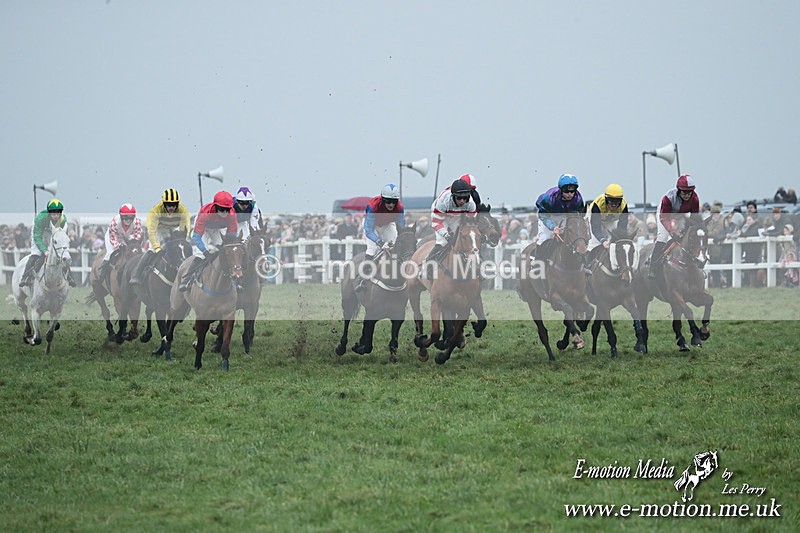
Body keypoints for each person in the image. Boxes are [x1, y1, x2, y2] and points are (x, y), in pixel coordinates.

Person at [130, 188, 191, 285]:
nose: (171, 207)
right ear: (164, 203)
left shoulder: (183, 211)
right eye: (169, 205)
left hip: (173, 228)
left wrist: (183, 240)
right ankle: (137, 274)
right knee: (153, 250)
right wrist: (157, 248)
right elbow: (151, 232)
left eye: (174, 204)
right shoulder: (156, 211)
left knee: (180, 246)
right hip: (158, 228)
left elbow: (185, 228)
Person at [178, 191, 237, 291]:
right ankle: (186, 280)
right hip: (203, 230)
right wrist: (206, 252)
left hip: (216, 229)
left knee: (225, 251)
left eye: (227, 209)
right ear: (215, 206)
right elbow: (196, 237)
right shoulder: (205, 213)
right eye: (221, 209)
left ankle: (234, 281)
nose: (224, 212)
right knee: (201, 255)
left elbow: (231, 236)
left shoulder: (232, 214)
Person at [353, 183, 406, 293]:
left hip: (388, 225)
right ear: (382, 199)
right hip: (373, 226)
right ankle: (361, 279)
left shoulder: (400, 207)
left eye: (394, 201)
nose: (391, 204)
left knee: (396, 249)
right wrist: (380, 242)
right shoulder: (373, 206)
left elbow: (401, 228)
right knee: (372, 250)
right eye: (388, 201)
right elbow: (369, 231)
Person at [648, 174, 702, 279]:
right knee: (662, 237)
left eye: (689, 192)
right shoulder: (668, 198)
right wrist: (672, 232)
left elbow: (694, 218)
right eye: (684, 192)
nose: (687, 195)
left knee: (685, 235)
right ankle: (653, 266)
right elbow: (664, 218)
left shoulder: (695, 198)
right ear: (678, 190)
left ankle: (693, 262)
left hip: (681, 214)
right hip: (665, 214)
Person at [424, 178, 477, 277]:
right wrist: (447, 235)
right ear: (453, 196)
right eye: (459, 198)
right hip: (441, 217)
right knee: (443, 242)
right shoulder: (443, 202)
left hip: (456, 216)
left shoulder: (470, 204)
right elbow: (436, 223)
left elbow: (472, 223)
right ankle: (428, 268)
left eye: (465, 198)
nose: (462, 201)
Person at [20, 199, 77, 287]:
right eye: (53, 214)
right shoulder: (40, 218)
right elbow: (37, 237)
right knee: (36, 254)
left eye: (58, 213)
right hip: (40, 232)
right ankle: (26, 277)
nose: (56, 216)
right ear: (49, 212)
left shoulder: (62, 219)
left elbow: (61, 236)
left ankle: (69, 276)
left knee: (61, 255)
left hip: (52, 232)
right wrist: (44, 250)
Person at [534, 173, 585, 262]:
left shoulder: (578, 199)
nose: (570, 194)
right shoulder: (549, 198)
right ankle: (537, 264)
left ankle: (584, 264)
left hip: (566, 216)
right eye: (566, 191)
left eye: (572, 191)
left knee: (576, 237)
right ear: (561, 190)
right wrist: (553, 227)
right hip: (548, 215)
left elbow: (578, 215)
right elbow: (543, 214)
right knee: (544, 238)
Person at [99, 203, 143, 280]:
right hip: (113, 236)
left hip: (128, 237)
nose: (128, 220)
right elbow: (112, 238)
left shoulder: (137, 222)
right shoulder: (115, 223)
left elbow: (137, 236)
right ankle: (102, 272)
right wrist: (119, 245)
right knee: (110, 253)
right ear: (121, 216)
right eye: (125, 218)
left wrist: (131, 244)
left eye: (131, 218)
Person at [587, 184, 629, 258]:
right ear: (606, 199)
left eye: (617, 201)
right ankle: (588, 264)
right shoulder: (598, 204)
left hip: (612, 221)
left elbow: (622, 227)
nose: (614, 205)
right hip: (596, 218)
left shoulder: (624, 205)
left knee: (612, 242)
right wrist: (602, 240)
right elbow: (595, 227)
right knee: (594, 242)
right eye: (611, 200)